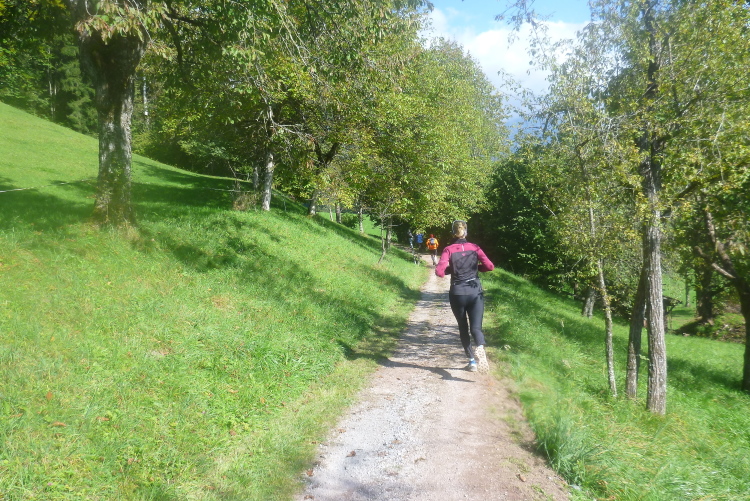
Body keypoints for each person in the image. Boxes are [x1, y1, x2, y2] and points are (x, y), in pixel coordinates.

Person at [435, 220, 494, 373]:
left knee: (463, 327)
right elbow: (490, 266)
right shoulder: (475, 248)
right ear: (466, 232)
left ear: (452, 232)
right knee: (476, 328)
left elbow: (439, 272)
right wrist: (475, 268)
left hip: (457, 293)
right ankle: (480, 346)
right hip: (475, 292)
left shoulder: (448, 249)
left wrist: (452, 270)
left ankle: (472, 361)